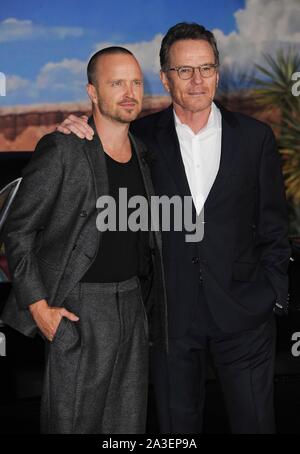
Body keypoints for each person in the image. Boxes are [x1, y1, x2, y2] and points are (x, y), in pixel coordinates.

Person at [57, 22, 290, 434]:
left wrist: (271, 295)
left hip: (244, 315)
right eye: (184, 71)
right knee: (176, 434)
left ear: (217, 72)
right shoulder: (140, 137)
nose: (197, 80)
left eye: (206, 68)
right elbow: (95, 155)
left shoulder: (255, 138)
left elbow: (273, 224)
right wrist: (73, 132)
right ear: (165, 78)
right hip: (169, 319)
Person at [1, 46, 168, 434]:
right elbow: (18, 230)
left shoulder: (143, 152)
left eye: (136, 82)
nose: (129, 92)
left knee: (126, 427)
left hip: (131, 303)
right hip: (78, 308)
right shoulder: (64, 149)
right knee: (73, 424)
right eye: (116, 83)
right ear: (92, 91)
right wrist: (39, 309)